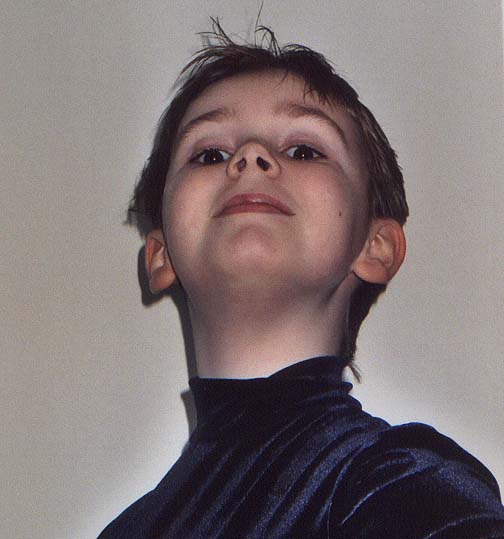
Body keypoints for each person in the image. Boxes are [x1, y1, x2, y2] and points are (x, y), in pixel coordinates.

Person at [99, 20, 504, 538]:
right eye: (209, 154)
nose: (250, 156)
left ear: (375, 246)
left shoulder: (402, 488)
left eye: (304, 151)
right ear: (160, 256)